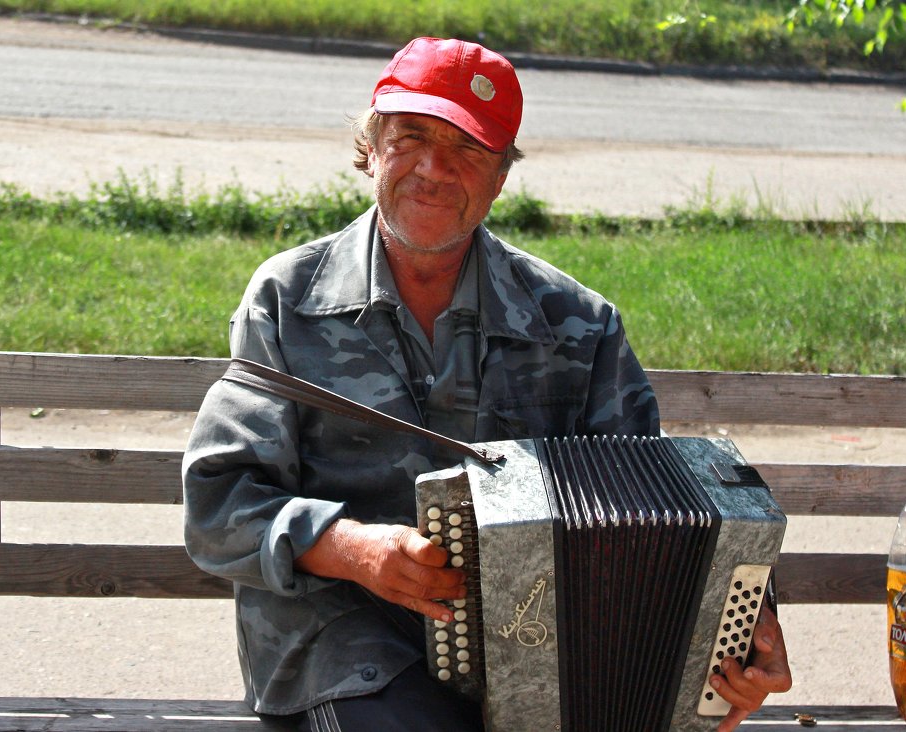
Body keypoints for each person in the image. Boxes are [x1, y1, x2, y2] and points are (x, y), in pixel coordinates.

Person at [182, 36, 791, 732]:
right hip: (345, 642)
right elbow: (217, 505)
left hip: (539, 649)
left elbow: (664, 516)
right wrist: (357, 551)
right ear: (372, 146)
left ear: (501, 176)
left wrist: (745, 626)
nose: (434, 169)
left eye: (468, 148)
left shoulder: (578, 325)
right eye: (411, 136)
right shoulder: (289, 300)